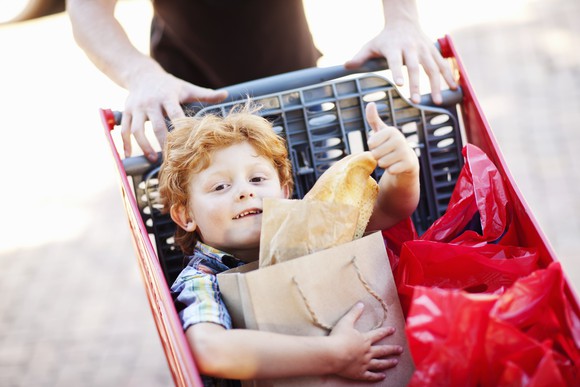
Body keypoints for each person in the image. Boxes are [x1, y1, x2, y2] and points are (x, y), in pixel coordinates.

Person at [158, 100, 420, 385]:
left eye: (257, 179)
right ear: (185, 215)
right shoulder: (202, 279)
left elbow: (387, 210)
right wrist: (333, 355)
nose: (245, 192)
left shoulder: (308, 227)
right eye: (221, 186)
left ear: (284, 192)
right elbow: (210, 350)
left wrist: (403, 171)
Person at [67, 0, 457, 163]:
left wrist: (403, 21)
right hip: (190, 108)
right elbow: (87, 8)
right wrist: (140, 74)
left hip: (296, 91)